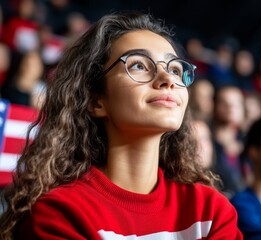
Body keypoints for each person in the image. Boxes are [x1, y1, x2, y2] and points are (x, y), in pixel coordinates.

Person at [0, 12, 243, 240]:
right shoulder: (60, 212)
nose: (168, 79)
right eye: (139, 65)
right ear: (95, 101)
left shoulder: (211, 210)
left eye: (176, 69)